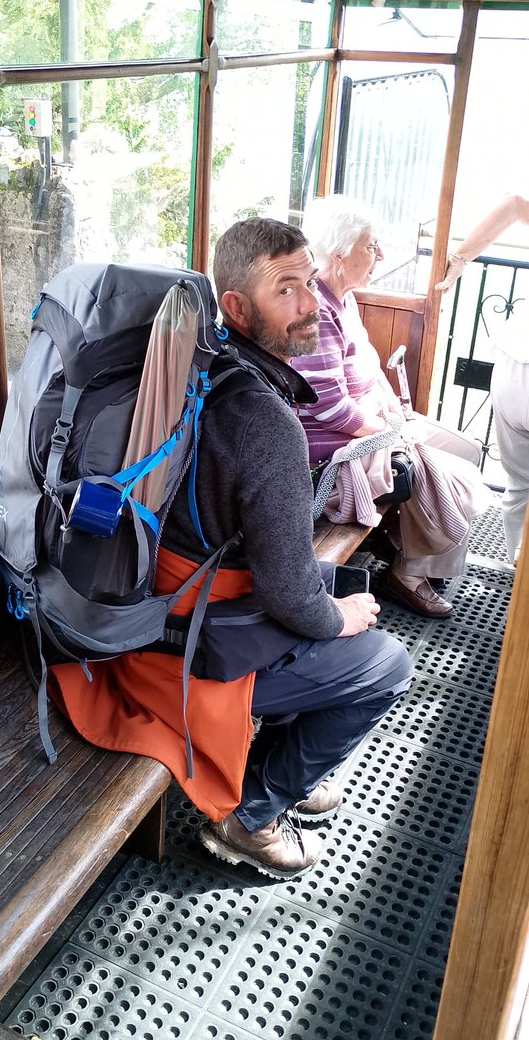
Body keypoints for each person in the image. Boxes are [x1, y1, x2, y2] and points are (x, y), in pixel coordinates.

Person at [47, 217, 411, 881]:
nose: (309, 305)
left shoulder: (200, 367)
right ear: (236, 307)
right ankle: (253, 813)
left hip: (137, 617)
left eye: (309, 283)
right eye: (286, 290)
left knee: (340, 587)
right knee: (384, 662)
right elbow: (292, 598)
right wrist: (341, 618)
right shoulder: (266, 423)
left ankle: (282, 769)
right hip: (187, 650)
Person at [291, 194, 493, 619]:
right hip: (337, 444)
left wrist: (395, 410)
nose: (380, 254)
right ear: (342, 254)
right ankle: (409, 573)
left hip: (373, 421)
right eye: (371, 244)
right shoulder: (318, 312)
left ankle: (424, 555)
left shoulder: (343, 299)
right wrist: (390, 431)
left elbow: (368, 366)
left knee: (469, 450)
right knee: (441, 471)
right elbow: (329, 410)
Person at [435, 194, 529, 563]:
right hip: (516, 364)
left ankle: (514, 568)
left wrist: (459, 260)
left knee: (519, 483)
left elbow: (514, 204)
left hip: (513, 363)